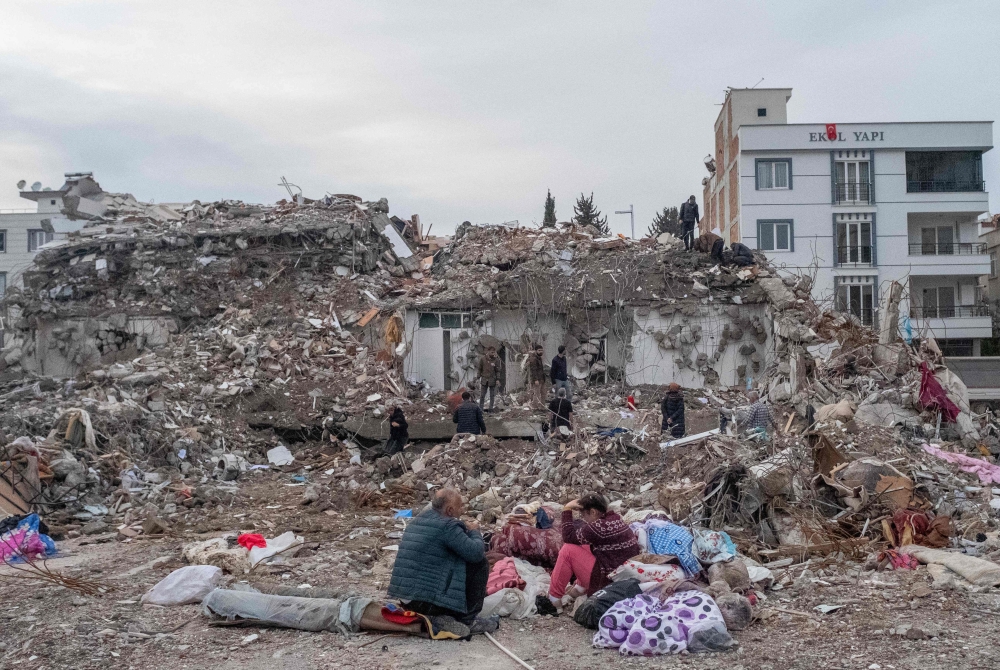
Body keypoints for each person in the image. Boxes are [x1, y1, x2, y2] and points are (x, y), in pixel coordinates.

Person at [388, 488, 498, 634]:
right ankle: (467, 620)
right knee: (480, 563)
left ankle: (437, 615)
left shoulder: (418, 521)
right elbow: (476, 553)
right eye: (461, 506)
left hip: (407, 600)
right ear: (450, 510)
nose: (463, 510)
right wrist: (474, 532)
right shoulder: (448, 526)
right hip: (424, 602)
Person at [548, 493, 640, 608]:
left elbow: (568, 536)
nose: (584, 520)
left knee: (568, 550)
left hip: (608, 581)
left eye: (584, 515)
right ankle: (580, 588)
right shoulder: (614, 519)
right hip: (622, 574)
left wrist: (567, 509)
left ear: (593, 512)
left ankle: (554, 599)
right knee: (585, 545)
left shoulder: (598, 528)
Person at [477, 347, 501, 412]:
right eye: (492, 352)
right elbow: (479, 369)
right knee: (482, 395)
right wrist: (478, 377)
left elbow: (498, 371)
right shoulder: (483, 359)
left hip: (492, 380)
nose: (493, 354)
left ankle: (490, 409)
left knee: (492, 396)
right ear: (488, 351)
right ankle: (480, 410)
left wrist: (498, 379)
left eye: (494, 352)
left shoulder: (496, 360)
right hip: (484, 380)